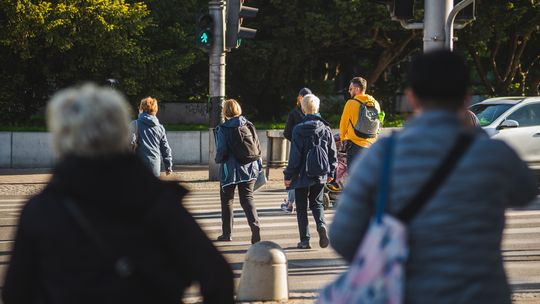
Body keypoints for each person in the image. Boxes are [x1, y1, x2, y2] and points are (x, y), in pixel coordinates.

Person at [329, 50, 538, 303]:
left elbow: (342, 236)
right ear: (467, 97)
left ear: (411, 98)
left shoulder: (383, 155)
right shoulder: (491, 153)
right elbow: (525, 191)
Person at [2, 84, 235, 304]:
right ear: (119, 130)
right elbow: (218, 276)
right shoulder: (157, 202)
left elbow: (15, 293)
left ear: (62, 137)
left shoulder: (41, 210)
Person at [284, 94, 337, 249]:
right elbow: (332, 153)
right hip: (320, 173)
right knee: (317, 203)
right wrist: (331, 173)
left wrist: (289, 175)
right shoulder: (325, 128)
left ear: (302, 108)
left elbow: (294, 156)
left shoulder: (298, 130)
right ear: (318, 108)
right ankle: (321, 225)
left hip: (301, 174)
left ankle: (305, 240)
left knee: (301, 207)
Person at [214, 99, 262, 244]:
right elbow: (257, 146)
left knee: (227, 201)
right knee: (247, 199)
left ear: (225, 112)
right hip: (249, 167)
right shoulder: (248, 124)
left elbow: (222, 150)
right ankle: (255, 227)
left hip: (231, 170)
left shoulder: (223, 128)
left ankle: (227, 234)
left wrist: (218, 159)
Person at [338, 76, 381, 169]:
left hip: (355, 146)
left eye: (351, 89)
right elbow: (379, 122)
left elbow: (343, 123)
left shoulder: (350, 103)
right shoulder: (375, 103)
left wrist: (342, 138)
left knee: (353, 177)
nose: (349, 91)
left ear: (357, 89)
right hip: (371, 145)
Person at [281, 87, 312, 213]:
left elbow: (287, 133)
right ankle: (311, 203)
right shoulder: (314, 114)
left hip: (298, 149)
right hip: (312, 150)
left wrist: (296, 141)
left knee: (294, 175)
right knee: (310, 174)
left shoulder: (294, 113)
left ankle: (289, 204)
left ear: (299, 98)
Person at [132, 97, 173, 177]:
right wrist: (168, 167)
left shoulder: (135, 124)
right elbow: (166, 149)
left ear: (141, 109)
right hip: (155, 168)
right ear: (155, 110)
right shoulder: (160, 128)